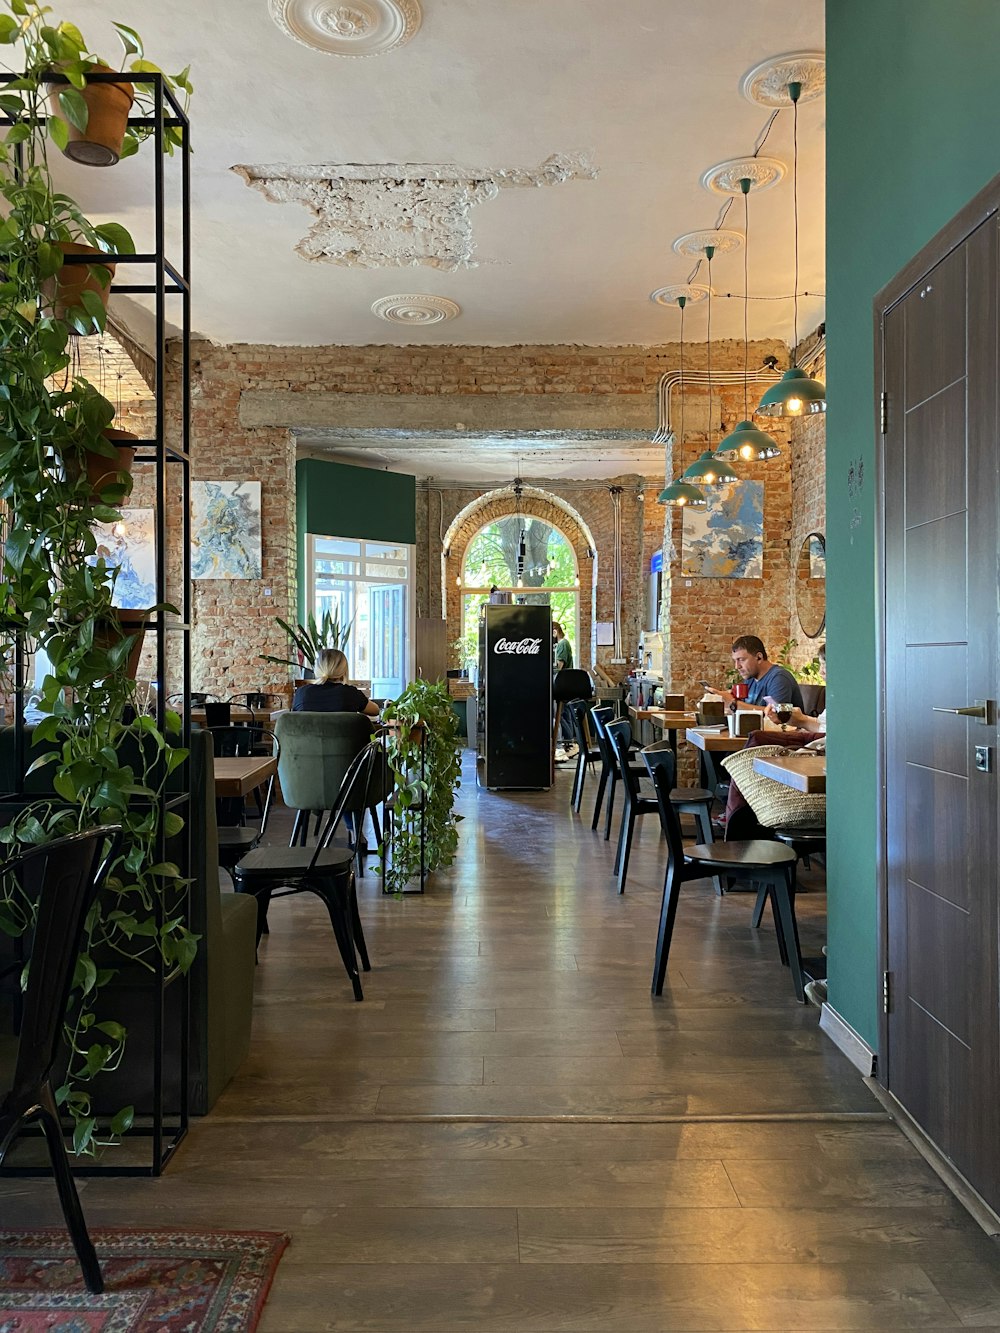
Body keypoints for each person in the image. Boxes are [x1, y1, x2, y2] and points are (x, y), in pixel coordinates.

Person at [707, 635, 804, 713]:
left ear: (759, 657)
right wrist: (725, 698)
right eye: (735, 661)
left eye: (741, 660)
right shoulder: (750, 679)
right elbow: (745, 708)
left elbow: (776, 715)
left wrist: (734, 704)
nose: (737, 666)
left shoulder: (779, 678)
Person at [293, 649, 379, 717]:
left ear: (317, 669)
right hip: (346, 739)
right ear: (343, 671)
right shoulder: (350, 693)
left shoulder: (301, 693)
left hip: (308, 739)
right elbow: (376, 711)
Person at [552, 622, 577, 762]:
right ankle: (570, 745)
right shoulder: (564, 644)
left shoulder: (562, 644)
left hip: (563, 684)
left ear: (555, 631)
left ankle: (568, 742)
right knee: (566, 713)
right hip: (567, 685)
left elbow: (559, 666)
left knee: (559, 715)